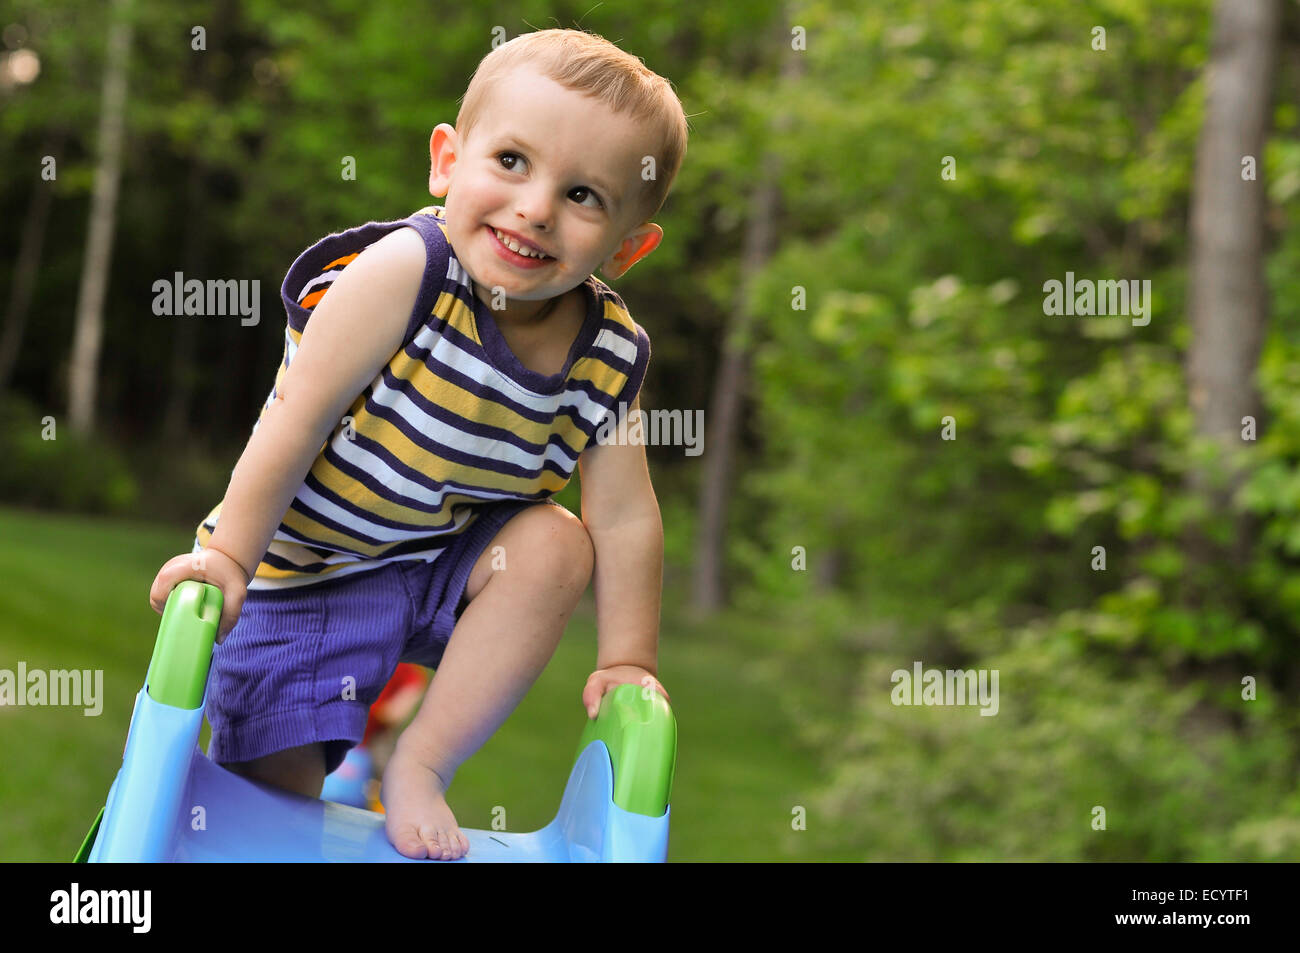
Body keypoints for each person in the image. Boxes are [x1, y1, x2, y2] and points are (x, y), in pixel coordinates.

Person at [148, 28, 685, 861]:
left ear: (626, 247)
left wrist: (627, 659)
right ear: (447, 161)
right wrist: (229, 556)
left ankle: (419, 763)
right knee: (269, 805)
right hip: (311, 570)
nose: (536, 207)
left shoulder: (610, 353)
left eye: (584, 195)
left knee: (556, 542)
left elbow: (623, 517)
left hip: (449, 566)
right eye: (511, 161)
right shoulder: (407, 272)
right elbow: (295, 418)